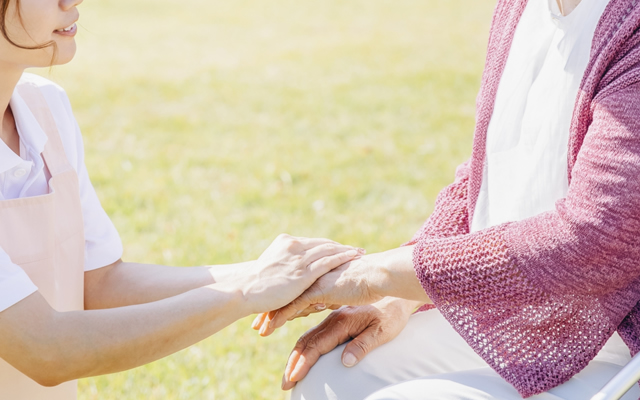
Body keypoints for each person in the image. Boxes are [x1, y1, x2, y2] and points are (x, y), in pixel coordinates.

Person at [254, 0, 640, 398]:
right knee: (328, 377)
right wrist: (399, 299)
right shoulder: (520, 7)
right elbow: (485, 172)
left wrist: (381, 275)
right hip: (514, 317)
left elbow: (591, 240)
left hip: (619, 350)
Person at [0, 0, 365, 399]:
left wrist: (271, 272)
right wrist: (244, 291)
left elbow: (98, 282)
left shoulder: (44, 106)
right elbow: (46, 348)